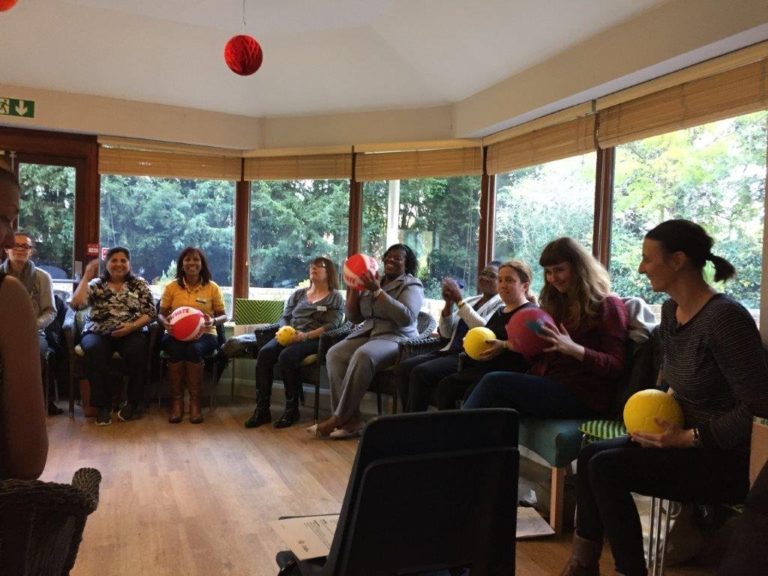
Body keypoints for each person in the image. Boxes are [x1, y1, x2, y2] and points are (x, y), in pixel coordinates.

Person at [560, 220, 768, 576]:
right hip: (677, 441)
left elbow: (759, 407)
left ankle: (626, 572)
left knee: (606, 468)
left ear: (678, 260)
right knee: (591, 454)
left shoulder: (725, 319)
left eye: (647, 259)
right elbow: (672, 383)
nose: (640, 268)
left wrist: (690, 438)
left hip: (725, 457)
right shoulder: (671, 313)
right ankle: (582, 564)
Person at [463, 237, 628, 420]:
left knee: (494, 382)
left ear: (579, 268)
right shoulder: (557, 304)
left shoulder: (607, 304)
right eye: (548, 272)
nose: (552, 278)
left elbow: (616, 366)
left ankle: (448, 440)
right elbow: (540, 357)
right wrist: (520, 342)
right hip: (549, 382)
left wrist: (575, 349)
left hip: (583, 395)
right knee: (488, 396)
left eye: (559, 270)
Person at [314, 244, 424, 438]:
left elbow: (406, 317)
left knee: (364, 355)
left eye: (397, 258)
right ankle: (352, 421)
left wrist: (377, 292)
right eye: (388, 257)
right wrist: (354, 291)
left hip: (397, 337)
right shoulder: (374, 279)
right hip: (369, 333)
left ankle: (338, 418)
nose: (391, 261)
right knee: (335, 354)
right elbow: (355, 318)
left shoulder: (411, 284)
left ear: (407, 264)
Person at [244, 256, 344, 429]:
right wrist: (286, 331)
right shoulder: (298, 294)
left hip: (315, 339)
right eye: (312, 266)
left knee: (287, 356)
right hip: (290, 335)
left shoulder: (334, 297)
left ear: (329, 272)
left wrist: (305, 336)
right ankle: (262, 410)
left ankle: (292, 410)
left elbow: (331, 325)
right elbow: (285, 317)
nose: (314, 268)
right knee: (265, 354)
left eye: (319, 266)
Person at [398, 262, 503, 412]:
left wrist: (459, 301)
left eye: (492, 276)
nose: (485, 278)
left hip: (466, 357)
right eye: (483, 273)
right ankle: (405, 417)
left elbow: (483, 330)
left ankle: (414, 422)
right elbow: (446, 333)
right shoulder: (472, 300)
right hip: (449, 350)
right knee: (404, 367)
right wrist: (449, 304)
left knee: (420, 372)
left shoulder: (500, 305)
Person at [433, 260, 537, 410]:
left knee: (470, 392)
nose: (502, 285)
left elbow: (532, 347)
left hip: (506, 373)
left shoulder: (530, 313)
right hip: (481, 368)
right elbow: (485, 336)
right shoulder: (500, 311)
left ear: (525, 286)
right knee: (447, 385)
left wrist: (504, 345)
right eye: (500, 280)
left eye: (509, 280)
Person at [70, 247, 156, 426]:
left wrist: (131, 326)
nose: (118, 264)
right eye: (113, 260)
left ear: (129, 264)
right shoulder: (95, 284)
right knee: (94, 350)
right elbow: (76, 304)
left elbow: (150, 313)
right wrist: (86, 276)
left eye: (123, 260)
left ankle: (132, 403)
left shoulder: (139, 284)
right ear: (106, 264)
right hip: (98, 331)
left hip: (132, 331)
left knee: (138, 350)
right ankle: (103, 406)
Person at [0, 166, 48, 479]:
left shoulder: (40, 278)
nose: (8, 236)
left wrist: (35, 328)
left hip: (41, 328)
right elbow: (28, 461)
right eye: (3, 218)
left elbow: (51, 312)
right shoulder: (7, 295)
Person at [158, 247, 227, 424]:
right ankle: (177, 402)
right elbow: (161, 313)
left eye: (196, 259)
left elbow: (223, 316)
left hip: (205, 334)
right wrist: (164, 322)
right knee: (176, 349)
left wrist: (213, 322)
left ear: (202, 263)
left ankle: (195, 403)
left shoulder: (212, 288)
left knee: (194, 350)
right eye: (187, 260)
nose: (192, 263)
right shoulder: (171, 287)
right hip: (174, 334)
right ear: (182, 264)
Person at [1, 230, 61, 415]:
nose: (20, 249)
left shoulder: (42, 277)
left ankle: (35, 406)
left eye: (25, 246)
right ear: (6, 250)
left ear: (31, 251)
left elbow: (50, 311)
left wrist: (30, 326)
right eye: (15, 245)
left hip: (33, 332)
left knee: (38, 354)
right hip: (3, 332)